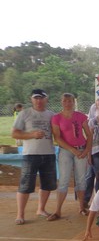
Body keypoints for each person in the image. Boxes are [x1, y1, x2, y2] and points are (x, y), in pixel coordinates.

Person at [12, 89, 57, 225]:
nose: (39, 101)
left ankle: (41, 209)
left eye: (41, 98)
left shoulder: (52, 115)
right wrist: (32, 135)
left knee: (47, 184)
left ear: (46, 99)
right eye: (36, 98)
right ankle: (20, 214)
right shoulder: (24, 114)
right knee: (25, 185)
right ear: (31, 99)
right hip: (30, 154)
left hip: (49, 153)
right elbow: (15, 134)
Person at [50, 92, 91, 219]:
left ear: (74, 102)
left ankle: (81, 207)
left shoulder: (81, 116)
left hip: (81, 150)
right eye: (65, 101)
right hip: (66, 151)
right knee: (63, 180)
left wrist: (86, 150)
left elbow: (89, 135)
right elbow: (57, 138)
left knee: (81, 180)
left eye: (70, 101)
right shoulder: (56, 118)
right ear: (61, 102)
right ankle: (58, 211)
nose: (67, 103)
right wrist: (74, 150)